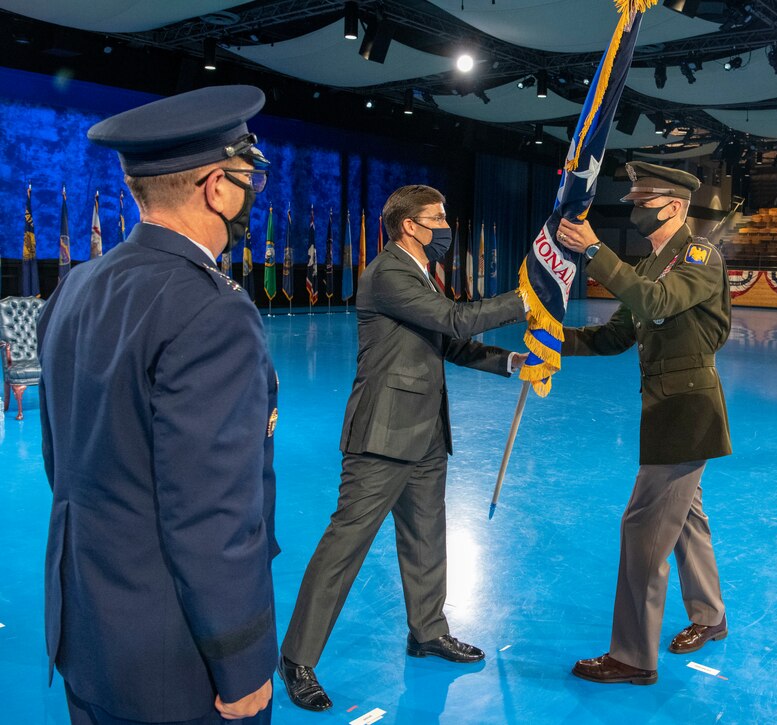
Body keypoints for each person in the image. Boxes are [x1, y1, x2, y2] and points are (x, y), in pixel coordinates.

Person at [38, 85, 279, 723]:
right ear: (217, 187)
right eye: (247, 173)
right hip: (174, 660)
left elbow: (61, 459)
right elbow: (213, 514)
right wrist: (242, 660)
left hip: (88, 630)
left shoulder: (76, 285)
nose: (252, 187)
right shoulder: (212, 309)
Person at [278, 184, 528, 711]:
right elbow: (457, 320)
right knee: (343, 547)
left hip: (425, 432)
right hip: (382, 436)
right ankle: (297, 659)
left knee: (426, 539)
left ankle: (427, 631)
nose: (445, 227)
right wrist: (529, 298)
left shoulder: (419, 274)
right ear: (409, 225)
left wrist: (513, 364)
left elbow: (449, 341)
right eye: (437, 218)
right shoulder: (389, 271)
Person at [555, 161, 732, 685]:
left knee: (643, 528)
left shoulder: (699, 256)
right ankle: (711, 617)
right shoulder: (653, 263)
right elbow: (613, 336)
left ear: (674, 207)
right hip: (667, 410)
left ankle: (632, 657)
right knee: (684, 522)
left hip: (686, 413)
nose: (634, 210)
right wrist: (552, 339)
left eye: (643, 202)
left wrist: (594, 251)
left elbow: (656, 302)